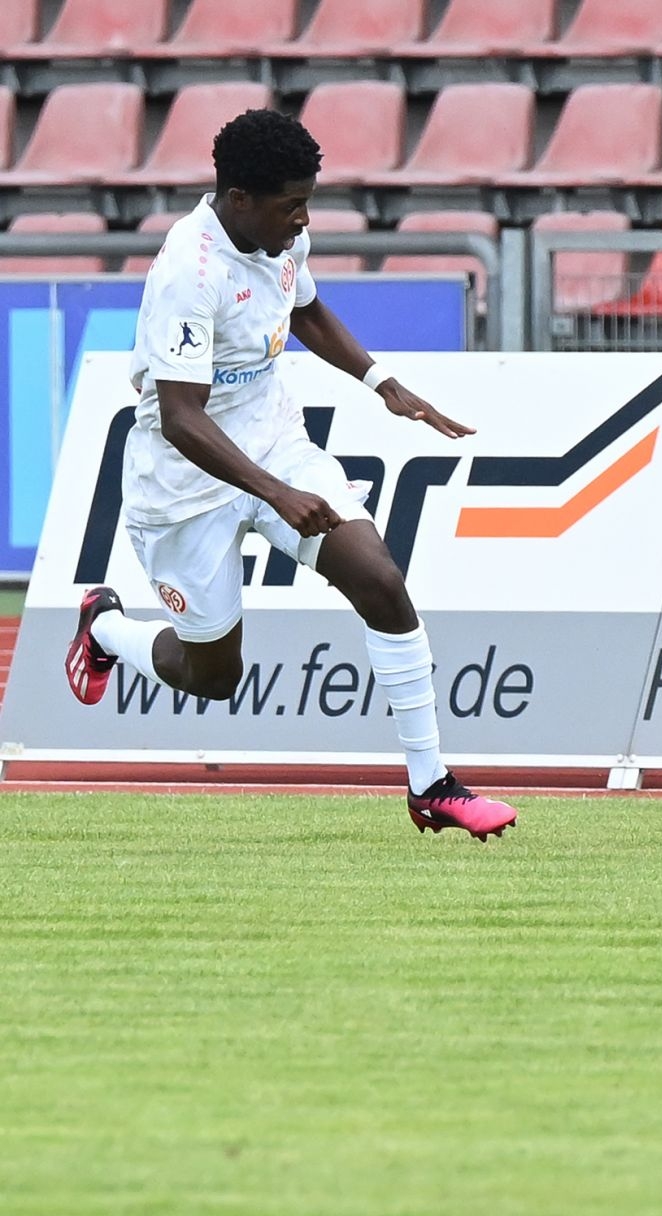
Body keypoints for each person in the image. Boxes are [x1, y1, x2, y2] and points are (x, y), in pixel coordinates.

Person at [62, 109, 516, 840]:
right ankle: (107, 629)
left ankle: (431, 785)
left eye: (307, 201)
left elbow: (305, 310)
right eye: (291, 204)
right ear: (239, 198)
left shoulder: (279, 235)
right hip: (184, 482)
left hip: (276, 445)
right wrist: (276, 495)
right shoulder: (189, 272)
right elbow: (179, 417)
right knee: (213, 677)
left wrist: (381, 382)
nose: (304, 220)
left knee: (379, 579)